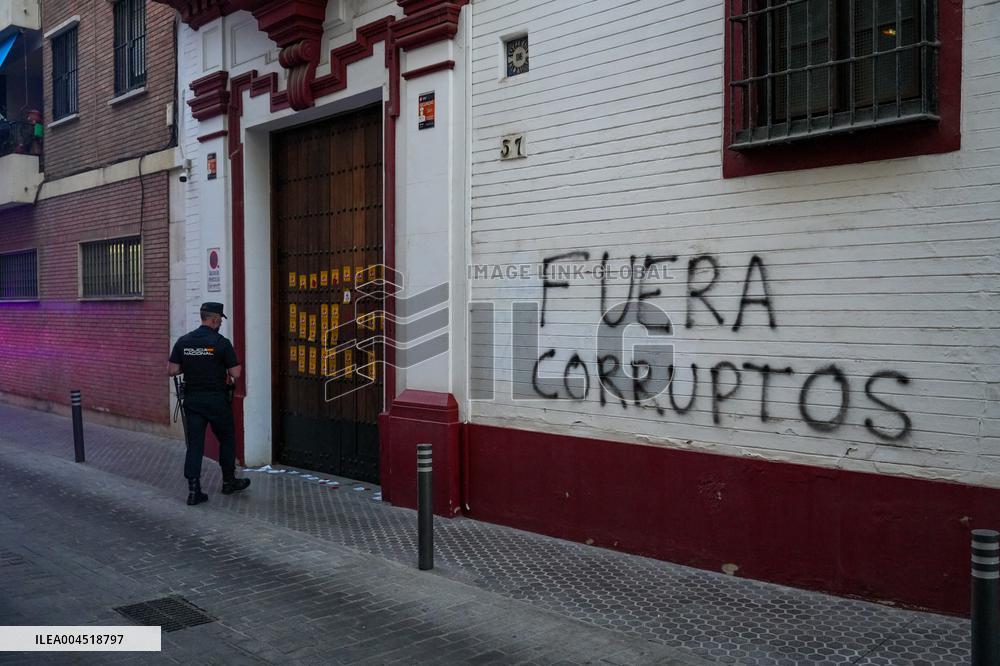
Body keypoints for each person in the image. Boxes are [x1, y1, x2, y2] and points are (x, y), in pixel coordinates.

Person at [168, 302, 251, 505]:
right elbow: (236, 373)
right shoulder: (221, 343)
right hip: (216, 401)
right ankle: (228, 482)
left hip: (193, 400)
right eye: (220, 319)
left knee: (195, 445)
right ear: (214, 319)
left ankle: (194, 490)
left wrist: (190, 366)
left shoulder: (184, 341)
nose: (220, 322)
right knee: (227, 439)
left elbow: (172, 370)